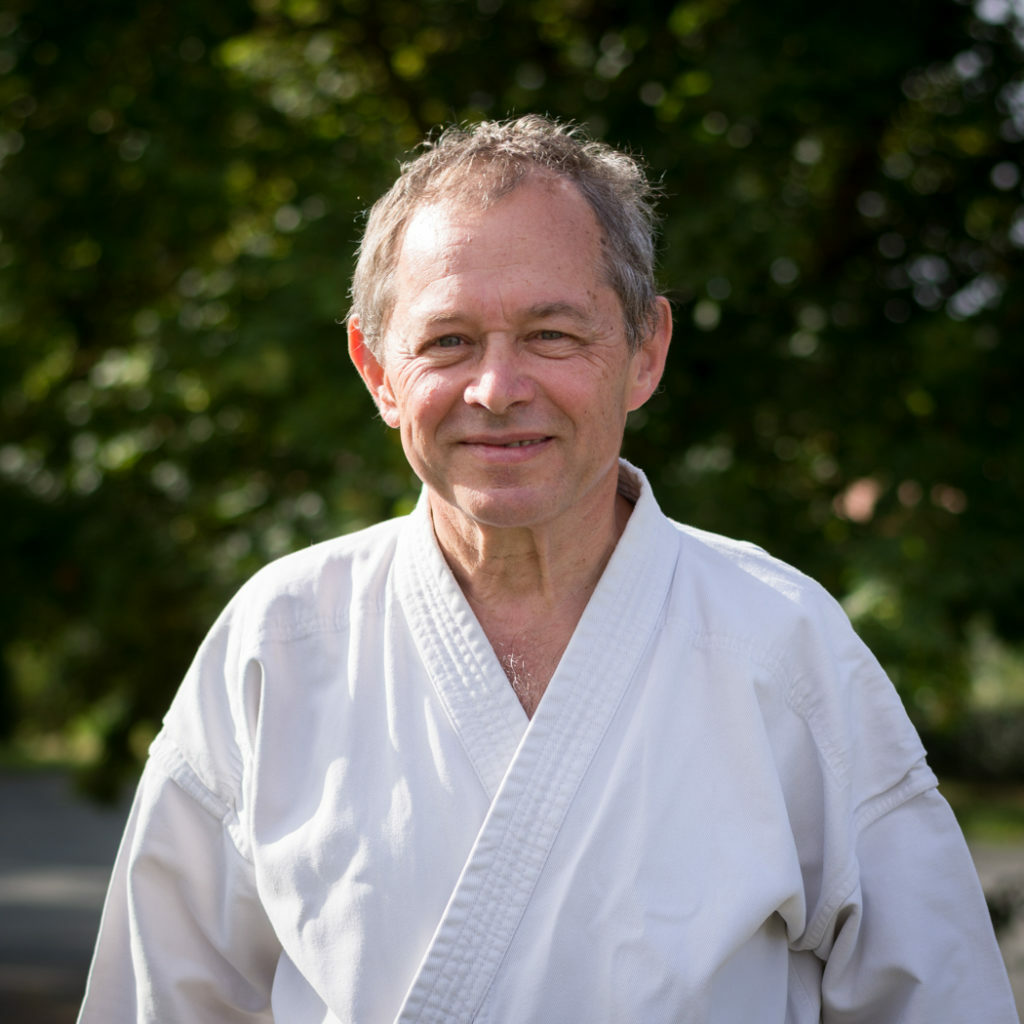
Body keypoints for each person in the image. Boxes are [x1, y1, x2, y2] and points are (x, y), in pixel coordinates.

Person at [78, 115, 1018, 1024]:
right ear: (377, 369)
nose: (497, 389)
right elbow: (161, 1001)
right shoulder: (278, 644)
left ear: (645, 351)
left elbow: (939, 1001)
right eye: (447, 340)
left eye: (552, 335)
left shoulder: (783, 645)